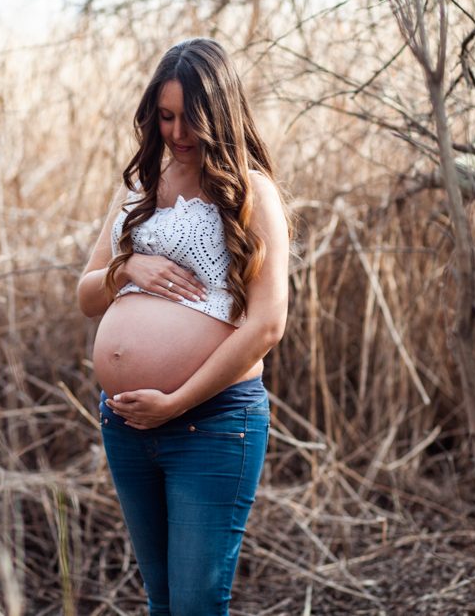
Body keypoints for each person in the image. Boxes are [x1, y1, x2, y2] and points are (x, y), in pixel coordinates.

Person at [76, 37, 290, 615]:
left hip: (212, 423)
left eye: (190, 118)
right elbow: (86, 295)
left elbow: (268, 323)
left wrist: (176, 402)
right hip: (126, 427)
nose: (177, 133)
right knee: (163, 604)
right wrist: (126, 268)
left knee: (196, 606)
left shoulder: (252, 192)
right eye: (166, 117)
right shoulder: (139, 189)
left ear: (219, 113)